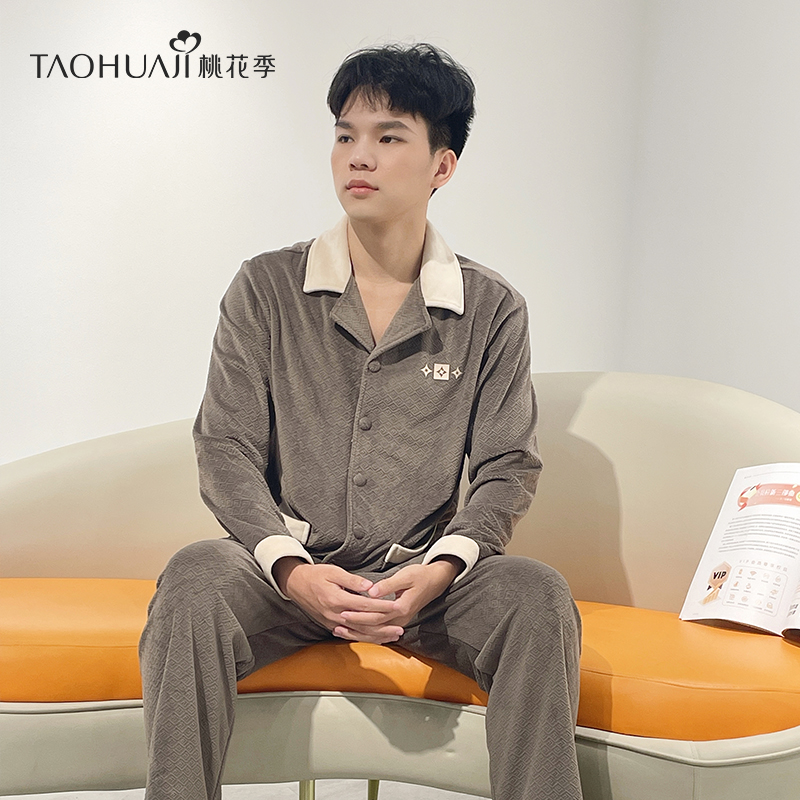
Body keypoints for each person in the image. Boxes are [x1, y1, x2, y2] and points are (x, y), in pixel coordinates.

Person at [139, 43, 582, 800]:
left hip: (426, 585)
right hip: (284, 576)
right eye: (345, 135)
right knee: (195, 579)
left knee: (537, 595)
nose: (359, 156)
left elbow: (508, 466)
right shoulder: (266, 287)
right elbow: (226, 446)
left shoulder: (492, 308)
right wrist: (291, 567)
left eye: (389, 136)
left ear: (442, 165)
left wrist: (440, 570)